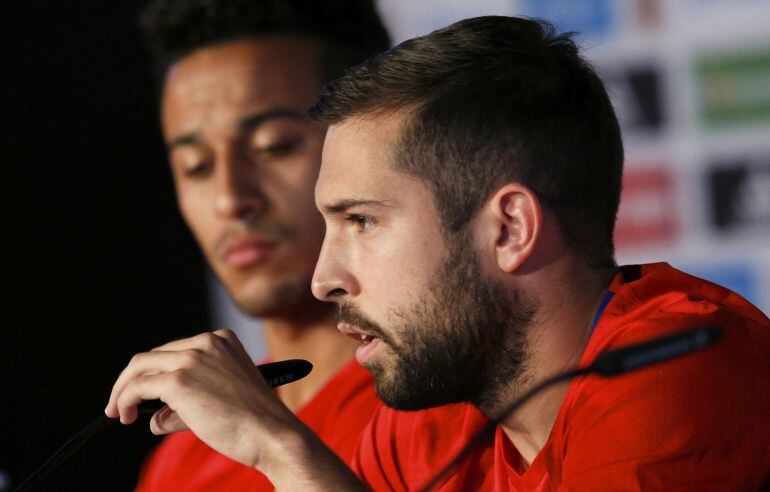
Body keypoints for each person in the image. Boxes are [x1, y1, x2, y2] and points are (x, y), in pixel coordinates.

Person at [107, 15, 770, 490]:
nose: (325, 278)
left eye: (362, 222)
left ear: (510, 228)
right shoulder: (432, 419)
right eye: (193, 165)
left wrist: (277, 449)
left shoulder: (678, 371)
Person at [131, 0, 390, 490]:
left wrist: (276, 448)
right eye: (196, 167)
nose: (231, 199)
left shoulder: (448, 395)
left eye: (274, 146)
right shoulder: (180, 461)